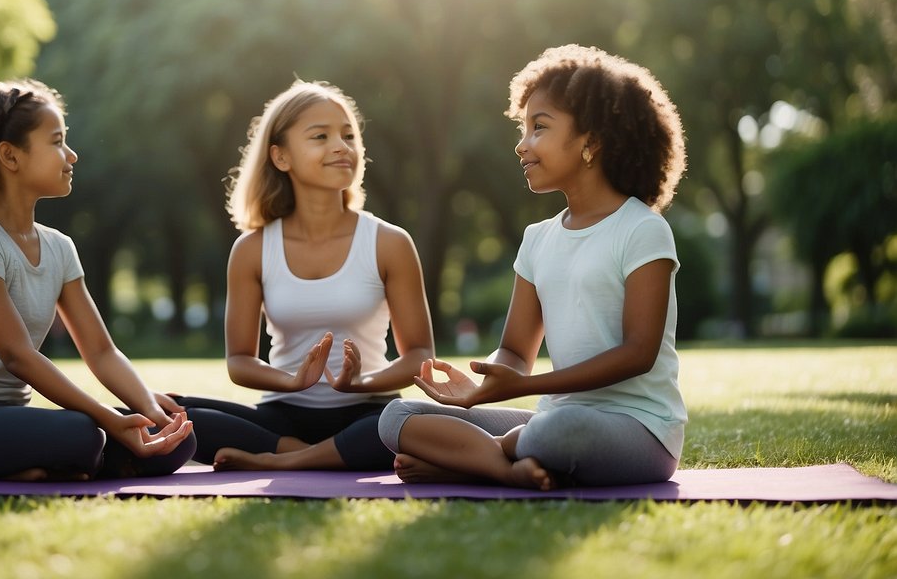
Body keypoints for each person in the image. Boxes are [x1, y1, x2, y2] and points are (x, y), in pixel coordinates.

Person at [378, 44, 688, 489]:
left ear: (592, 142)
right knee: (398, 417)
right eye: (523, 130)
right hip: (551, 417)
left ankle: (471, 461)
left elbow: (638, 353)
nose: (522, 145)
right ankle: (505, 466)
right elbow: (516, 353)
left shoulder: (642, 229)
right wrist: (483, 384)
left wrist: (521, 389)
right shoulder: (537, 239)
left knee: (552, 432)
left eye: (539, 128)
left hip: (638, 430)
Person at [0, 79, 195, 481]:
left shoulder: (59, 247)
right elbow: (18, 355)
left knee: (174, 440)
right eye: (57, 141)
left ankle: (49, 467)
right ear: (10, 156)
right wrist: (107, 421)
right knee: (82, 433)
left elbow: (100, 351)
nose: (72, 155)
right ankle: (65, 461)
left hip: (8, 421)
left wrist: (147, 408)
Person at [176, 80, 434, 471]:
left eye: (349, 135)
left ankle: (284, 460)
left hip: (368, 413)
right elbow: (240, 361)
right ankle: (310, 453)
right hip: (283, 415)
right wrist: (293, 381)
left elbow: (420, 355)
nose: (342, 147)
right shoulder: (252, 250)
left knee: (408, 425)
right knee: (166, 410)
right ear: (281, 157)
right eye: (321, 136)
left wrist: (360, 384)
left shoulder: (389, 242)